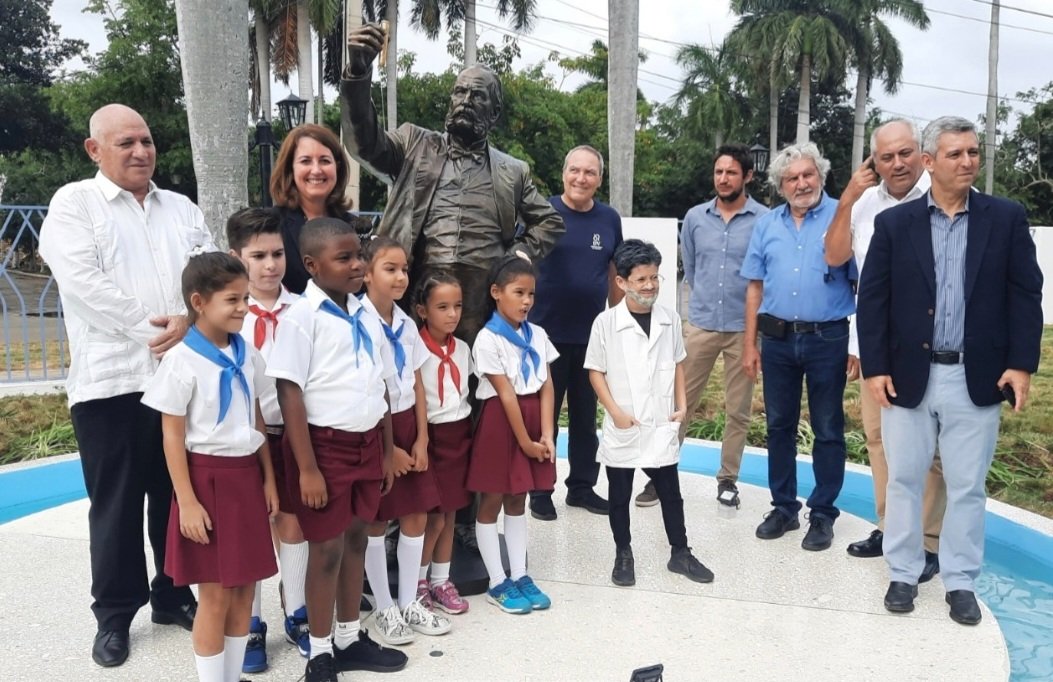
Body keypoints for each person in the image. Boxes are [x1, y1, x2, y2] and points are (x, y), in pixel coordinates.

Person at [857, 116, 1043, 624]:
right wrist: (875, 367)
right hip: (908, 375)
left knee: (966, 485)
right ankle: (902, 572)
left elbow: (1026, 294)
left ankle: (960, 581)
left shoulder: (1004, 218)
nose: (967, 162)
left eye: (973, 153)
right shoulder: (895, 224)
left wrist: (1021, 364)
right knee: (904, 480)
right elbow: (873, 299)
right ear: (929, 162)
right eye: (955, 154)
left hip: (975, 377)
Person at [39, 103, 204, 668]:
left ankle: (173, 593)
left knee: (176, 493)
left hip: (179, 385)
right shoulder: (74, 205)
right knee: (115, 505)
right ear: (95, 150)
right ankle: (113, 616)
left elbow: (208, 274)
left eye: (147, 140)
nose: (140, 152)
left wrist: (191, 322)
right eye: (126, 142)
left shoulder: (180, 208)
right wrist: (164, 328)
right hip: (112, 382)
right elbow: (84, 284)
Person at [342, 23, 565, 344]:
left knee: (476, 385)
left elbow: (550, 222)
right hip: (419, 286)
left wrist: (518, 251)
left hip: (481, 298)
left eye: (477, 95)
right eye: (460, 92)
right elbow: (364, 143)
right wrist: (358, 73)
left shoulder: (512, 170)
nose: (465, 100)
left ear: (495, 111)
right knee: (418, 381)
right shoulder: (413, 143)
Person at [266, 218, 408, 681]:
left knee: (356, 539)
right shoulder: (301, 319)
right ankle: (320, 649)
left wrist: (386, 450)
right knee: (324, 549)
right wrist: (306, 469)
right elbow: (290, 394)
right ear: (311, 265)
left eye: (358, 256)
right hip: (323, 449)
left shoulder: (365, 312)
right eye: (344, 258)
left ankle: (349, 638)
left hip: (368, 444)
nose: (357, 265)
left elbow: (382, 387)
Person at [141, 252, 279, 682]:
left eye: (245, 298)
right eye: (232, 300)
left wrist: (269, 480)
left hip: (244, 481)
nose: (243, 308)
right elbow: (172, 437)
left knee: (244, 591)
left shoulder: (247, 354)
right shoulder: (182, 361)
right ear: (199, 302)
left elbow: (255, 416)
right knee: (215, 596)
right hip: (205, 483)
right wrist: (187, 502)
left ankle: (232, 675)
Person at [824, 120, 945, 581]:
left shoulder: (943, 198)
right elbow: (835, 259)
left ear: (922, 155)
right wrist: (847, 200)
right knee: (879, 443)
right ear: (873, 161)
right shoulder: (864, 204)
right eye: (886, 157)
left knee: (931, 449)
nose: (897, 164)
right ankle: (890, 528)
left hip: (932, 344)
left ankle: (929, 541)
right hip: (877, 345)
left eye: (905, 153)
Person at [740, 142, 856, 552]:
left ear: (820, 177)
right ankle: (784, 508)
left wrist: (856, 345)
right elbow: (755, 286)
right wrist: (749, 343)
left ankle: (822, 514)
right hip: (777, 340)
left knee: (827, 429)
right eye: (792, 178)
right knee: (778, 427)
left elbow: (863, 283)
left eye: (808, 175)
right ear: (780, 185)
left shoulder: (845, 214)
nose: (801, 183)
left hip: (828, 338)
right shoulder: (767, 224)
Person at [641, 143, 768, 509]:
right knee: (679, 402)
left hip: (745, 331)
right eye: (719, 172)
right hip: (700, 327)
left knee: (738, 409)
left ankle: (728, 479)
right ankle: (660, 477)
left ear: (748, 176)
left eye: (731, 172)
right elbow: (692, 270)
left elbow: (763, 278)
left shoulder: (764, 219)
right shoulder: (695, 218)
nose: (723, 178)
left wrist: (753, 336)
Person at [586, 239, 715, 587]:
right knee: (620, 494)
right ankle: (623, 553)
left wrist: (682, 406)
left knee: (671, 492)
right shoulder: (606, 323)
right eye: (641, 279)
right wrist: (614, 411)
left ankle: (681, 553)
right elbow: (595, 371)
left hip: (660, 421)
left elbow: (677, 363)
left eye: (655, 278)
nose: (650, 286)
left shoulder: (669, 319)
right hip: (624, 422)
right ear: (622, 282)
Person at [359, 237, 452, 645]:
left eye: (403, 269)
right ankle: (384, 606)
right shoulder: (358, 321)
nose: (400, 276)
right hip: (378, 430)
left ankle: (409, 599)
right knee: (377, 520)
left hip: (410, 428)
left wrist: (421, 439)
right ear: (366, 274)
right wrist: (388, 449)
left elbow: (415, 381)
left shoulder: (406, 324)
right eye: (389, 268)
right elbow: (369, 385)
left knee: (415, 514)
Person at [226, 208, 307, 671]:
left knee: (292, 524)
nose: (271, 265)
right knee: (253, 528)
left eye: (277, 254)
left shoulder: (303, 311)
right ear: (238, 257)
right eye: (258, 256)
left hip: (289, 433)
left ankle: (296, 611)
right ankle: (251, 623)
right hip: (243, 440)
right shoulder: (229, 315)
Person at [529, 144, 623, 521]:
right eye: (575, 171)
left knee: (585, 418)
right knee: (544, 417)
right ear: (564, 173)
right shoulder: (542, 211)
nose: (581, 178)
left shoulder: (609, 219)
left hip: (591, 337)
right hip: (543, 335)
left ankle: (582, 487)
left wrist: (617, 323)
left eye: (589, 172)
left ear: (599, 179)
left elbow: (615, 272)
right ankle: (539, 490)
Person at [466, 256, 558, 614]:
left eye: (531, 294)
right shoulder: (488, 339)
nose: (526, 301)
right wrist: (524, 442)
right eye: (518, 293)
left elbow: (548, 386)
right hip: (503, 425)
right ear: (496, 293)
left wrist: (547, 435)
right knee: (491, 501)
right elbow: (505, 393)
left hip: (534, 423)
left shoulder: (538, 334)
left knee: (518, 499)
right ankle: (496, 582)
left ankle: (520, 574)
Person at [414, 271, 474, 615]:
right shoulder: (416, 350)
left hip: (458, 434)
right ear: (423, 311)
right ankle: (419, 581)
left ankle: (441, 579)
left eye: (457, 306)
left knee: (450, 513)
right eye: (442, 307)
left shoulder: (463, 349)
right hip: (431, 437)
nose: (452, 314)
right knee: (430, 517)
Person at [269, 123, 356, 294]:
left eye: (324, 161)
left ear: (337, 166)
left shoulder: (355, 227)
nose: (316, 170)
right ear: (290, 169)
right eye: (305, 161)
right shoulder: (271, 226)